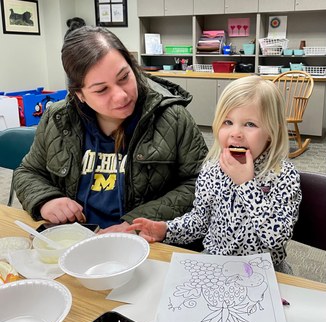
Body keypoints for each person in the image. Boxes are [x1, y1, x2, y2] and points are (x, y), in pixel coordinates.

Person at [13, 26, 208, 233]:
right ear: (80, 94)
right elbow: (28, 172)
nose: (121, 96)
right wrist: (47, 200)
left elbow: (199, 183)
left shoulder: (173, 117)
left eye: (124, 77)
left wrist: (134, 223)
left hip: (145, 242)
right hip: (78, 238)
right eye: (101, 90)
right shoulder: (58, 118)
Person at [127, 75, 302, 273]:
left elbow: (276, 237)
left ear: (272, 131)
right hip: (216, 262)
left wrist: (246, 184)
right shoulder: (212, 170)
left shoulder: (284, 175)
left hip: (266, 269)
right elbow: (200, 221)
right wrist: (167, 230)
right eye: (228, 121)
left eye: (250, 124)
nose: (236, 133)